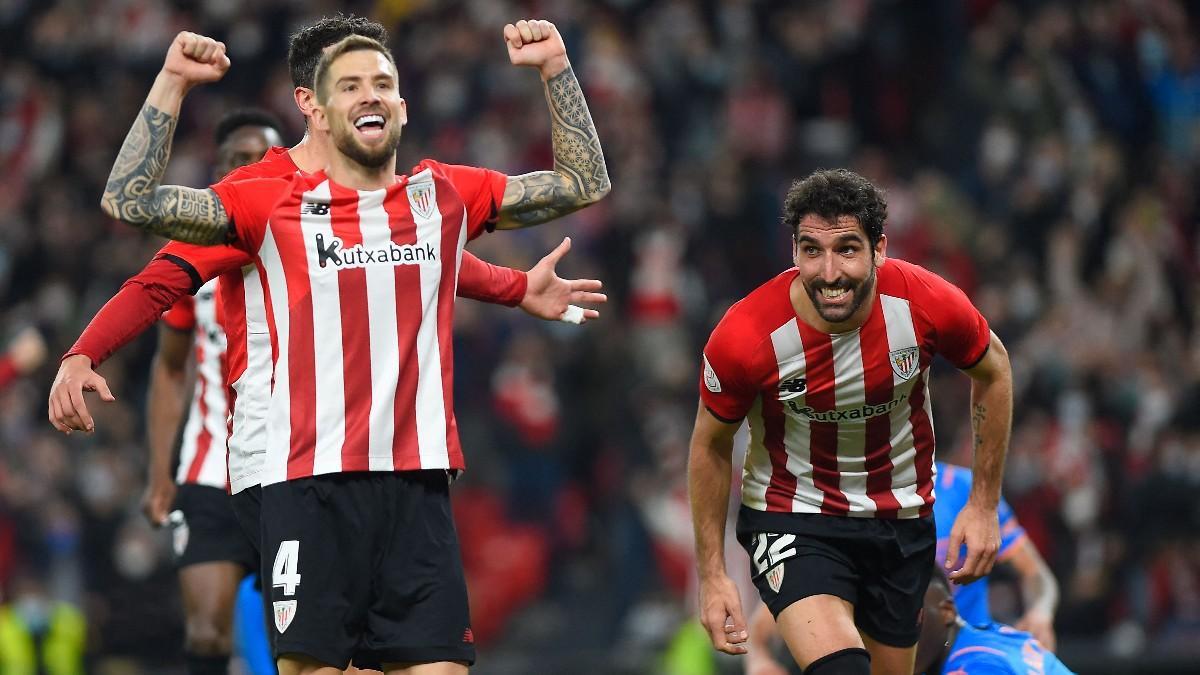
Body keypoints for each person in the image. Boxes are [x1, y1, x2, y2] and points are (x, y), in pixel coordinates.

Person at [95, 21, 608, 675]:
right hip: (307, 484)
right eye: (351, 85)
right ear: (319, 108)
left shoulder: (441, 194)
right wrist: (171, 83)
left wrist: (556, 67)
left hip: (417, 484)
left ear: (402, 107)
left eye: (384, 84)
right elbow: (128, 201)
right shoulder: (268, 200)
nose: (370, 95)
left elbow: (583, 183)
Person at [689, 169, 1012, 674]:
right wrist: (712, 575)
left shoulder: (924, 303)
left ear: (879, 249)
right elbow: (709, 445)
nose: (830, 272)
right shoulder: (748, 335)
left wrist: (984, 503)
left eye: (847, 249)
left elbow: (993, 369)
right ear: (794, 252)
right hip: (793, 516)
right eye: (812, 250)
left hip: (900, 520)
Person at [142, 108, 283, 675]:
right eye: (236, 160)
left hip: (291, 474)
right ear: (217, 172)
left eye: (262, 159)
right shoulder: (192, 260)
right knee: (206, 635)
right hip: (208, 475)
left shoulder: (312, 248)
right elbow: (171, 369)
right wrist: (160, 474)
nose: (249, 169)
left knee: (304, 641)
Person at [744, 461, 1060, 674]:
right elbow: (784, 600)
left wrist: (1041, 610)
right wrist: (758, 659)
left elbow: (1035, 574)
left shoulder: (964, 489)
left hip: (962, 652)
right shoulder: (843, 507)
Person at [915, 567, 1074, 675]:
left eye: (914, 618)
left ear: (947, 612)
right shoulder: (997, 637)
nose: (899, 632)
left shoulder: (973, 668)